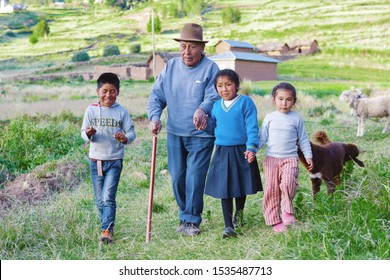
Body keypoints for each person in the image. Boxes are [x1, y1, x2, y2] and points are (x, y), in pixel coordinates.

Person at [147, 23, 220, 236]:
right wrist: (154, 117)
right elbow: (156, 96)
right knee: (178, 176)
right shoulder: (170, 67)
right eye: (183, 46)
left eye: (192, 47)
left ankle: (191, 221)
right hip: (175, 132)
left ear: (201, 48)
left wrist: (203, 109)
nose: (187, 52)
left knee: (195, 178)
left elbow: (214, 96)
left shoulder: (210, 68)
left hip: (201, 133)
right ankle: (184, 214)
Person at [202, 69, 262, 238]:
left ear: (237, 85)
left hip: (242, 149)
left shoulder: (245, 102)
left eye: (228, 84)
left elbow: (251, 126)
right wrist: (203, 125)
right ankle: (228, 226)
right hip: (222, 151)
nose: (224, 89)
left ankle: (239, 215)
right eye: (219, 86)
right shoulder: (215, 106)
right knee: (225, 188)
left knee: (241, 185)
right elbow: (213, 128)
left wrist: (251, 148)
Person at [81, 72, 136, 243]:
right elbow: (83, 133)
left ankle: (106, 230)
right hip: (95, 161)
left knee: (107, 197)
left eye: (112, 91)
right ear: (98, 91)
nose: (108, 95)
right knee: (99, 200)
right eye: (104, 91)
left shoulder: (121, 112)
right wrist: (88, 133)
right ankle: (106, 225)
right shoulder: (91, 110)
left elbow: (132, 132)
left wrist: (125, 138)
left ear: (117, 92)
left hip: (114, 161)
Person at [258, 82, 313, 233]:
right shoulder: (269, 118)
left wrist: (308, 155)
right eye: (281, 99)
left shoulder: (296, 118)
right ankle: (274, 221)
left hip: (290, 158)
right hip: (271, 160)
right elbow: (262, 138)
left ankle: (286, 211)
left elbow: (303, 138)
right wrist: (252, 150)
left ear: (294, 102)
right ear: (274, 100)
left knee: (288, 182)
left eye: (289, 99)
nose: (284, 103)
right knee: (271, 189)